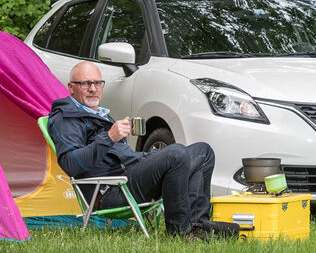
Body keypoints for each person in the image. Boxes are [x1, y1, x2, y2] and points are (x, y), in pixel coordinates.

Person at [48, 61, 237, 238]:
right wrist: (110, 137)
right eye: (85, 84)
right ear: (71, 87)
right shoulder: (66, 118)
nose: (93, 89)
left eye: (97, 83)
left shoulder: (97, 114)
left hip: (130, 175)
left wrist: (139, 152)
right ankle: (179, 232)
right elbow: (71, 164)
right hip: (111, 191)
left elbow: (117, 154)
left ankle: (197, 226)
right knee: (176, 153)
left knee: (203, 152)